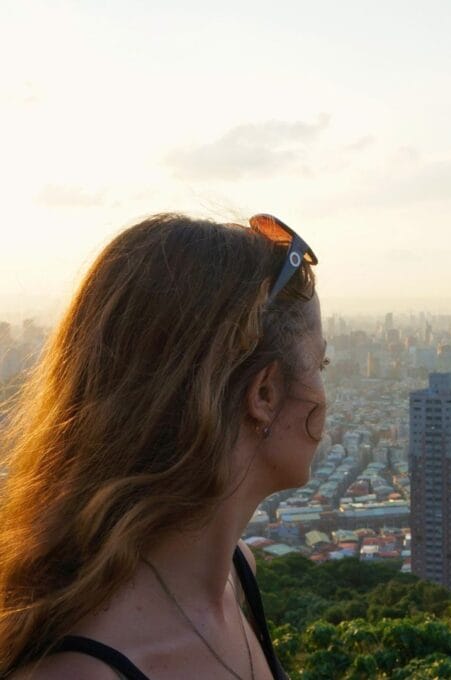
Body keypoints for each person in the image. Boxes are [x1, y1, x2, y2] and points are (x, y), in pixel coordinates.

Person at [0, 213, 327, 679]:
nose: (326, 393)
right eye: (320, 364)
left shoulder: (236, 576)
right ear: (264, 394)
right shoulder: (77, 671)